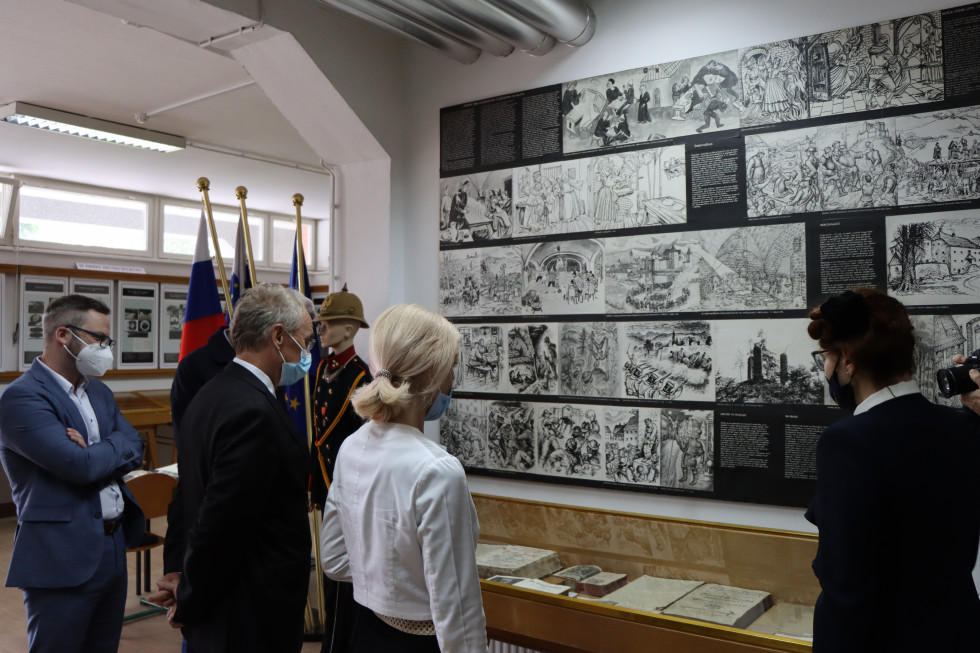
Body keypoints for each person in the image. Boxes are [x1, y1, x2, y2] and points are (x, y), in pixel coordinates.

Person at [805, 288, 980, 651]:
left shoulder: (847, 441)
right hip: (959, 632)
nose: (825, 367)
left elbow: (846, 592)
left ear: (847, 359)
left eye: (825, 356)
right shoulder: (961, 424)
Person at [157, 284, 316, 653]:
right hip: (248, 611)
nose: (308, 353)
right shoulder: (252, 411)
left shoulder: (213, 392)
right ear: (278, 336)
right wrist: (190, 597)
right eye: (305, 341)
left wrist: (187, 583)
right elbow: (221, 523)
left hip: (228, 604)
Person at [320, 304, 487, 653]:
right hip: (418, 643)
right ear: (432, 375)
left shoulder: (351, 447)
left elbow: (334, 560)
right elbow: (457, 606)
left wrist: (381, 581)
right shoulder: (438, 471)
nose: (452, 381)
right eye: (451, 369)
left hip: (361, 631)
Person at [0, 294, 145, 653]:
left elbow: (135, 447)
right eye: (100, 339)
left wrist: (97, 449)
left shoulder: (98, 391)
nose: (106, 349)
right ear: (64, 334)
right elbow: (79, 467)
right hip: (60, 554)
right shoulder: (22, 398)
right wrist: (109, 447)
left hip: (112, 546)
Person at [155, 323, 235, 653]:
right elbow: (191, 474)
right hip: (207, 521)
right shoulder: (199, 369)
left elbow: (128, 443)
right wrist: (178, 570)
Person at [310, 285, 372, 653]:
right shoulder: (322, 369)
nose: (321, 331)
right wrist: (313, 482)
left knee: (345, 575)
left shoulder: (362, 378)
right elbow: (318, 435)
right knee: (328, 566)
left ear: (349, 329)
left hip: (348, 486)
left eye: (328, 324)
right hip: (324, 481)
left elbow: (358, 440)